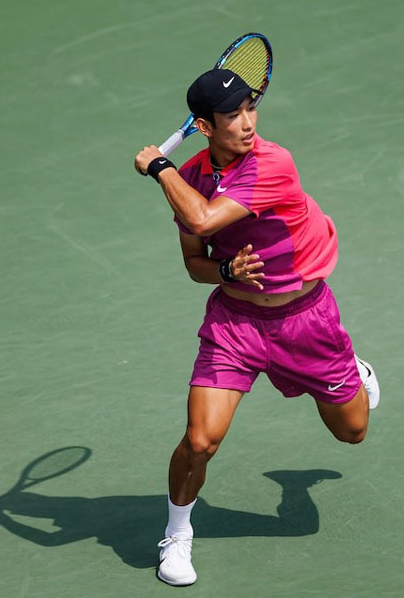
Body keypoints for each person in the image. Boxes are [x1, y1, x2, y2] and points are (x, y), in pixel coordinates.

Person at [133, 69, 380, 587]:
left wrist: (159, 166)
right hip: (236, 324)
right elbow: (194, 261)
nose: (248, 123)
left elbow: (203, 221)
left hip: (306, 321)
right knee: (199, 441)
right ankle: (177, 535)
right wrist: (224, 272)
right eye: (233, 115)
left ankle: (354, 375)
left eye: (251, 108)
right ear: (204, 125)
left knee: (352, 433)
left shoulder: (272, 162)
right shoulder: (192, 180)